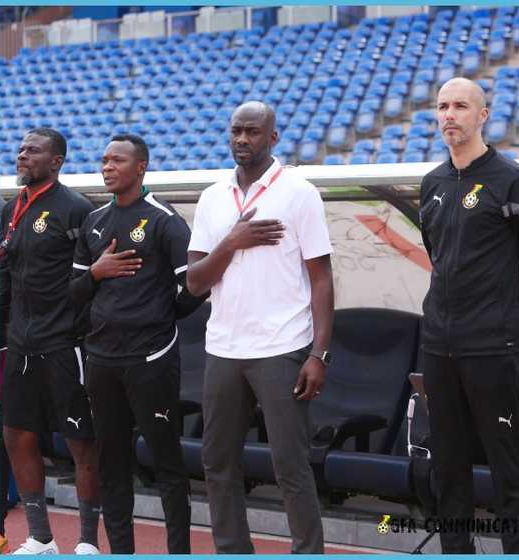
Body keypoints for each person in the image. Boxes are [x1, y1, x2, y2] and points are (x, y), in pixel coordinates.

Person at [186, 101, 334, 554]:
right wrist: (232, 242)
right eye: (236, 131)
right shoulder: (212, 197)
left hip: (283, 348)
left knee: (291, 465)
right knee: (218, 464)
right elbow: (194, 282)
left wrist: (318, 353)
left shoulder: (299, 192)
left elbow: (322, 278)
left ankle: (307, 552)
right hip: (224, 350)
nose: (242, 140)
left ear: (272, 137)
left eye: (252, 132)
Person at [419, 77, 519, 554]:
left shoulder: (512, 180)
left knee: (506, 469)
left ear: (483, 116)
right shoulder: (431, 184)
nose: (449, 114)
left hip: (494, 348)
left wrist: (515, 320)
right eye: (442, 107)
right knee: (447, 468)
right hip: (439, 347)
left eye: (459, 106)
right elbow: (438, 256)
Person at [69, 134, 204, 553]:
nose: (107, 167)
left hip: (151, 358)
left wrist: (161, 318)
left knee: (166, 463)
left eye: (117, 161)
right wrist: (97, 272)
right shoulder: (93, 221)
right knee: (112, 463)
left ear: (141, 167)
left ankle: (177, 550)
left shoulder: (164, 220)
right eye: (104, 160)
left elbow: (195, 287)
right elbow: (72, 293)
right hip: (102, 361)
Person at [0, 128, 102, 555]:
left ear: (56, 161)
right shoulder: (11, 208)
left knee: (82, 442)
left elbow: (94, 278)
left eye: (33, 151)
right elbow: (5, 277)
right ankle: (41, 537)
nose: (23, 156)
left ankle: (87, 542)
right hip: (20, 345)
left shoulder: (77, 209)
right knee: (16, 434)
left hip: (65, 345)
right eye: (22, 150)